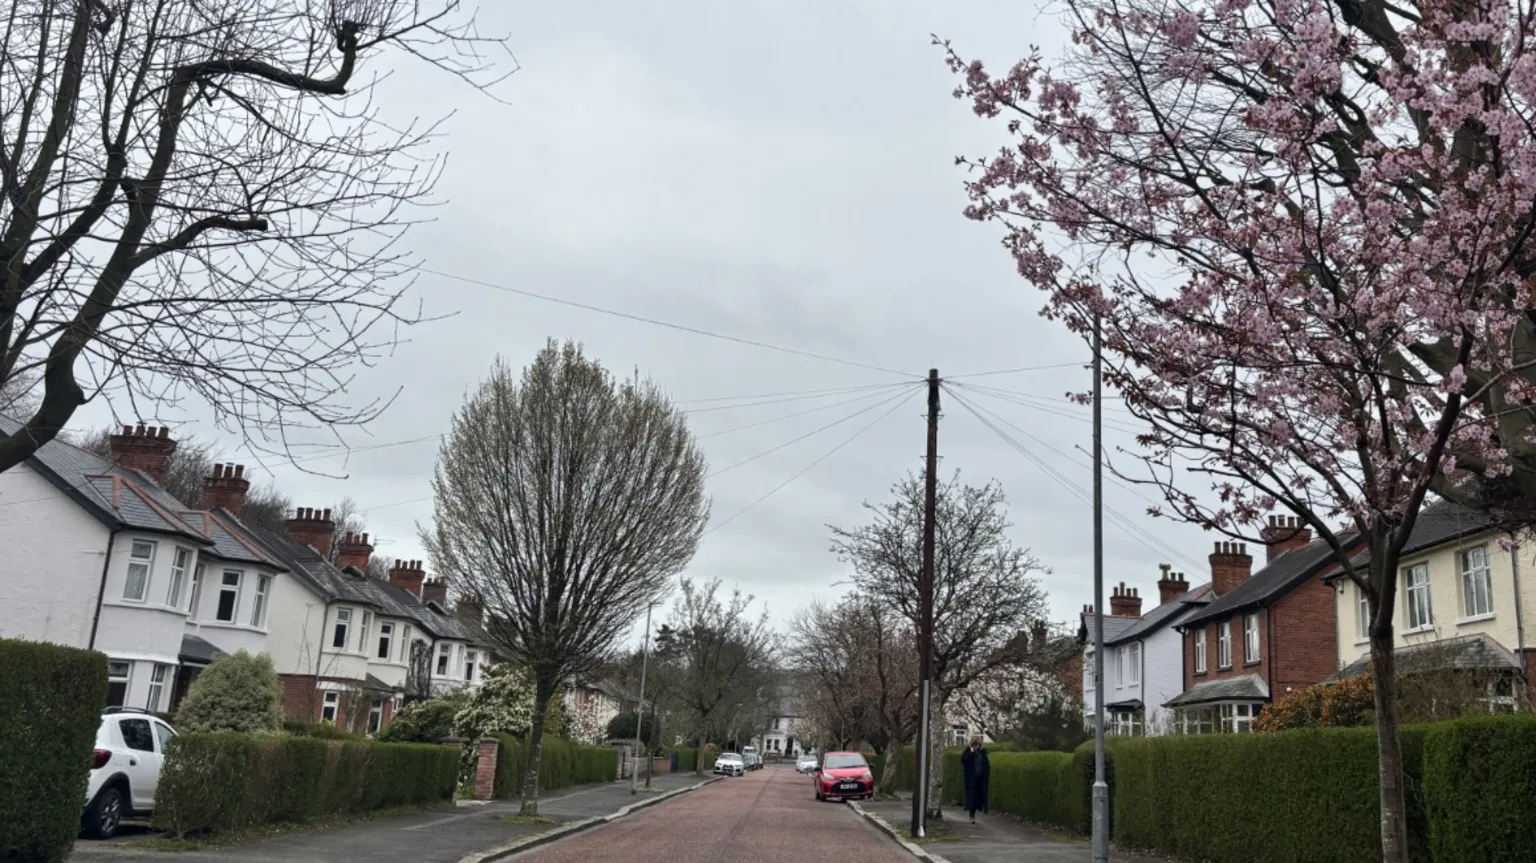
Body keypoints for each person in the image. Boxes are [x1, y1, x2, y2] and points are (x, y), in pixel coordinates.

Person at [960, 734, 990, 823]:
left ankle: (979, 811)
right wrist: (971, 752)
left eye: (977, 745)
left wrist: (985, 775)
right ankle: (971, 816)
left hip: (980, 780)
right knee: (971, 798)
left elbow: (986, 765)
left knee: (978, 798)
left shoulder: (982, 753)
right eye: (974, 745)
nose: (976, 746)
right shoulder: (968, 752)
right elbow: (963, 760)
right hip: (971, 780)